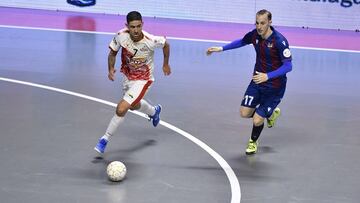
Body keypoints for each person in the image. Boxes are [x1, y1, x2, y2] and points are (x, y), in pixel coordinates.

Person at [206, 9, 292, 155]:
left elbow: (288, 66)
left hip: (275, 86)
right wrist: (221, 48)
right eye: (257, 23)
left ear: (270, 22)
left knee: (257, 120)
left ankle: (253, 141)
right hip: (257, 81)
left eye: (263, 23)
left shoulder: (279, 41)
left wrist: (268, 76)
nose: (259, 26)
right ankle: (270, 114)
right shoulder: (254, 35)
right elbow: (241, 41)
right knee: (244, 113)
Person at [94, 11, 171, 154]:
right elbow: (112, 53)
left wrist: (165, 64)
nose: (136, 30)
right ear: (126, 26)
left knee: (121, 108)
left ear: (142, 24)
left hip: (144, 80)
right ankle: (154, 112)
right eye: (132, 27)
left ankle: (104, 139)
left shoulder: (151, 40)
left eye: (138, 26)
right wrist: (110, 68)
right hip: (128, 78)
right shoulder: (121, 36)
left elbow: (166, 45)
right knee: (134, 105)